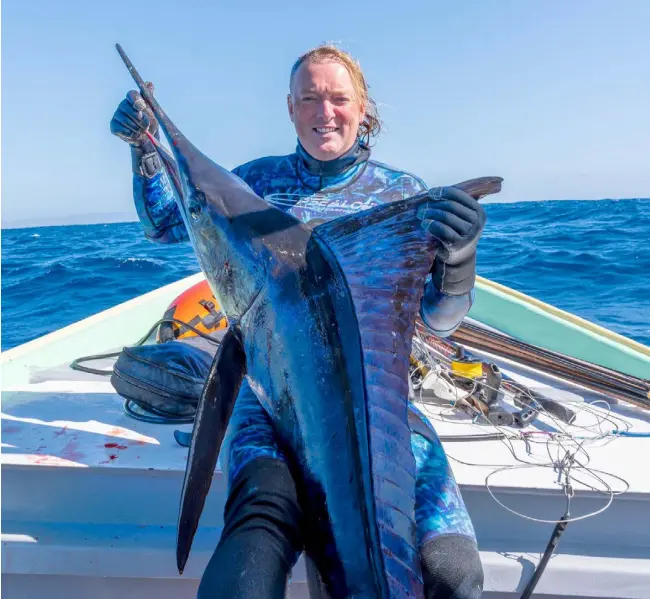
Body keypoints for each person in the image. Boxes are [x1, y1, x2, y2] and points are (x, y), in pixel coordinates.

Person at [111, 44, 486, 599]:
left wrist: (457, 263)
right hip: (267, 401)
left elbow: (439, 319)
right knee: (251, 556)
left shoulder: (402, 194)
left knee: (454, 571)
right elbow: (170, 222)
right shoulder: (256, 182)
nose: (324, 111)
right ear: (290, 108)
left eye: (338, 98)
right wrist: (145, 149)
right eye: (309, 98)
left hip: (376, 405)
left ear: (363, 110)